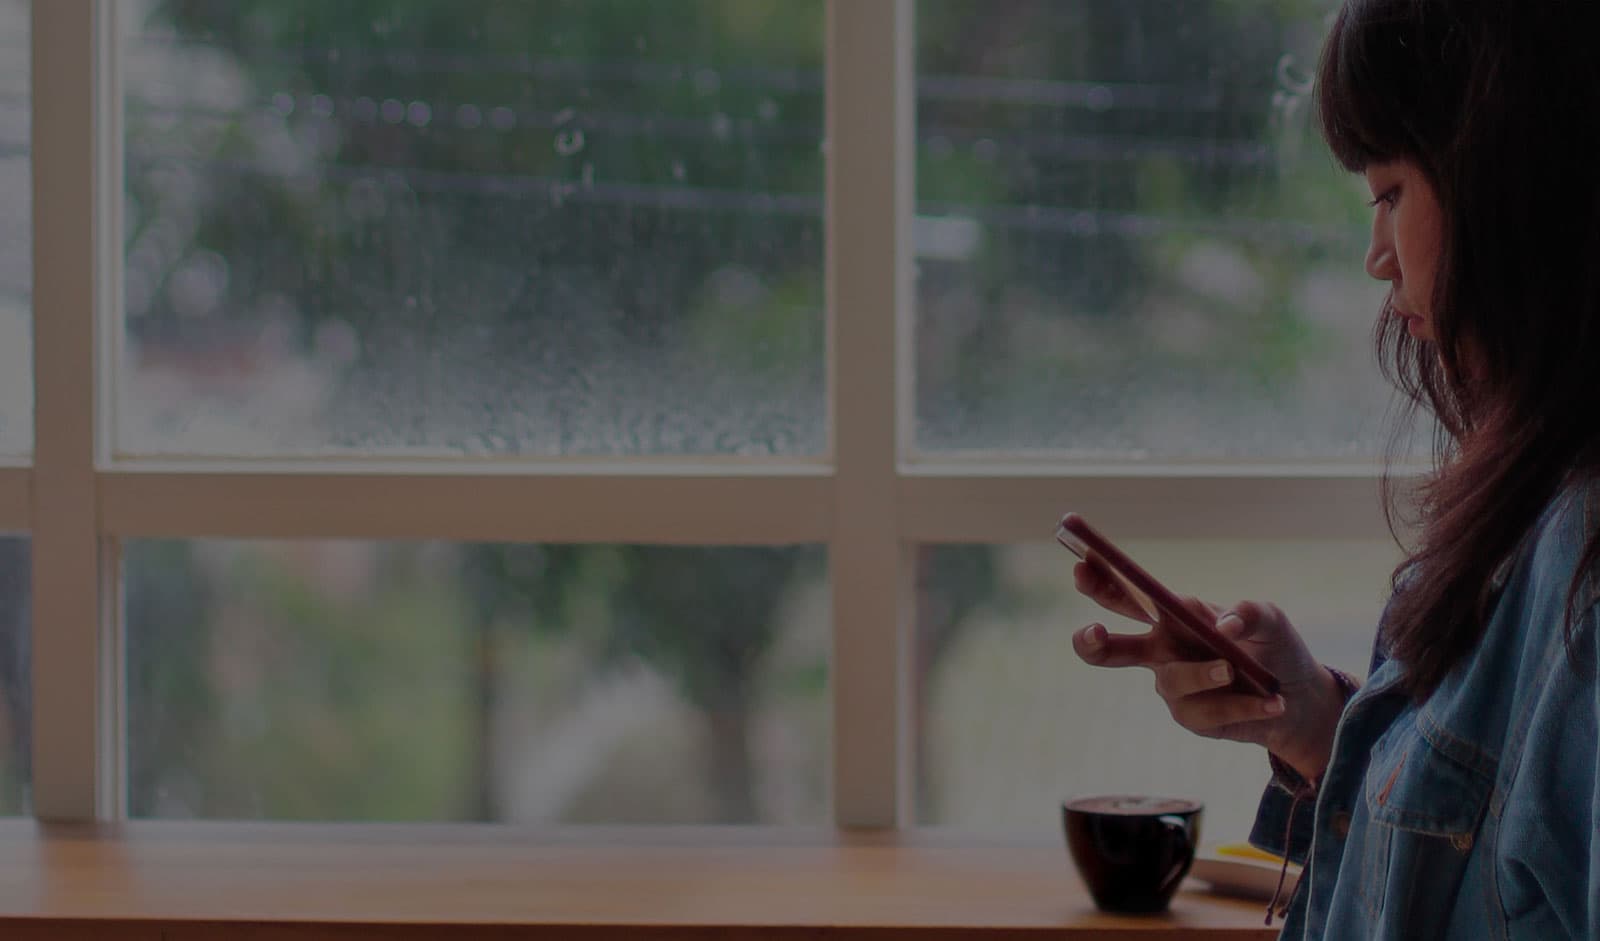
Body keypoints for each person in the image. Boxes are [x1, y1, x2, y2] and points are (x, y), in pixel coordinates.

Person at [1070, 1, 1600, 938]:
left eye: (1392, 192)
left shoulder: (1583, 571)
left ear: (1512, 174)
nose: (1376, 257)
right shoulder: (1542, 501)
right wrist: (1314, 723)